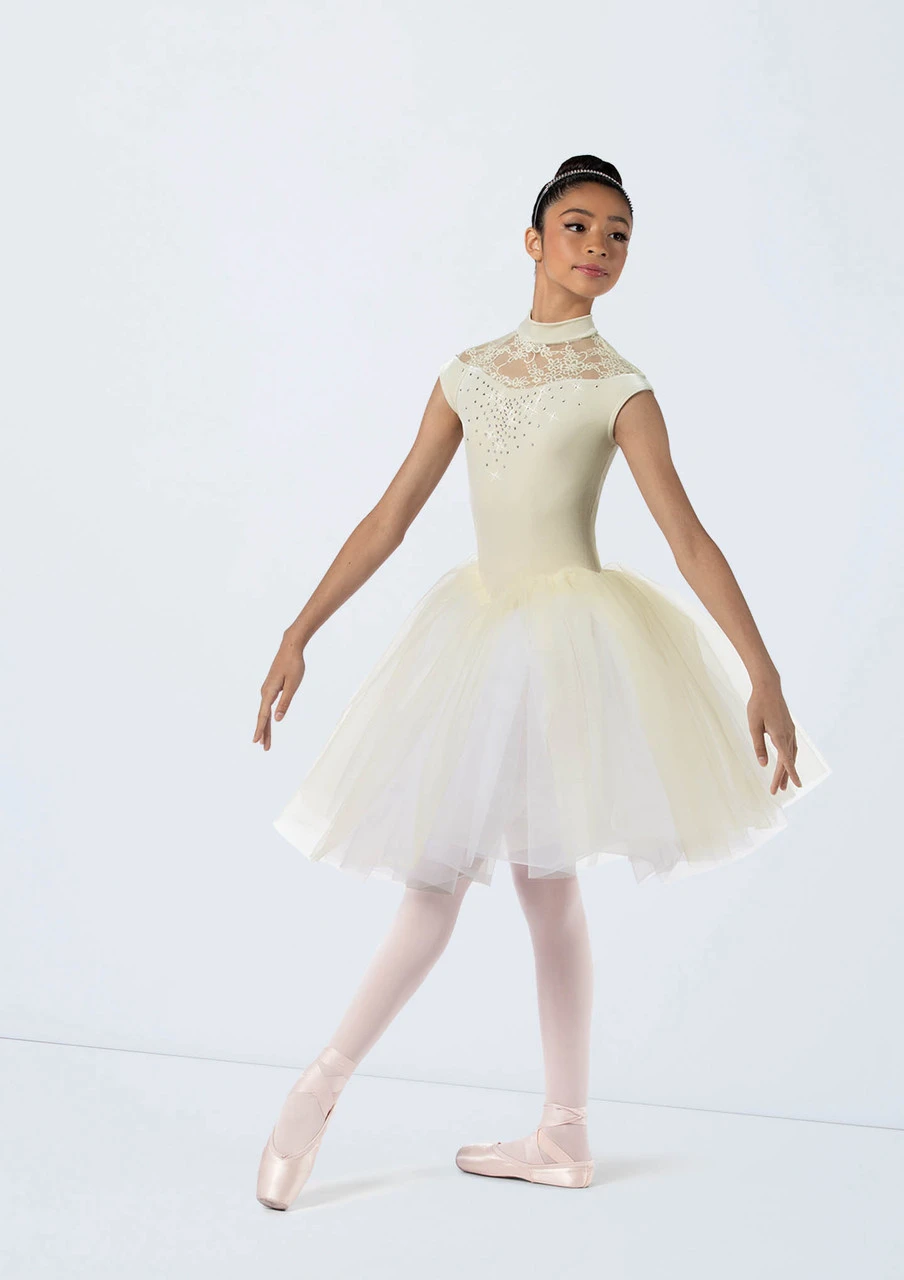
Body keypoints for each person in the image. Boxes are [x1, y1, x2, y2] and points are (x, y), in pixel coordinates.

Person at [251, 155, 831, 1209]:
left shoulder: (621, 387)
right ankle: (337, 1091)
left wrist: (764, 672)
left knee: (540, 884)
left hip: (566, 649)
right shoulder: (467, 373)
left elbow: (688, 538)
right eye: (577, 225)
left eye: (618, 233)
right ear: (532, 239)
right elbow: (389, 516)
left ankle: (531, 1126)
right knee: (451, 884)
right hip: (478, 643)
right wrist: (300, 629)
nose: (598, 245)